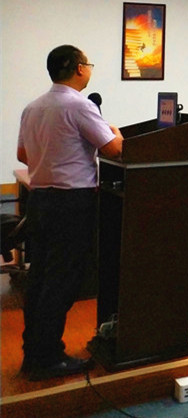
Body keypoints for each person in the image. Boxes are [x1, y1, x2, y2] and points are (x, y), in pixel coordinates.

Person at [17, 45, 124, 381]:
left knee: (40, 278)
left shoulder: (33, 107)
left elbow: (23, 155)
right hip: (71, 204)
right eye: (88, 64)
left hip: (40, 201)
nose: (89, 69)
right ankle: (48, 358)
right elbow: (113, 149)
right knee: (62, 281)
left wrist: (52, 160)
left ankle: (34, 352)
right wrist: (117, 133)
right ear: (79, 68)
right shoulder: (80, 105)